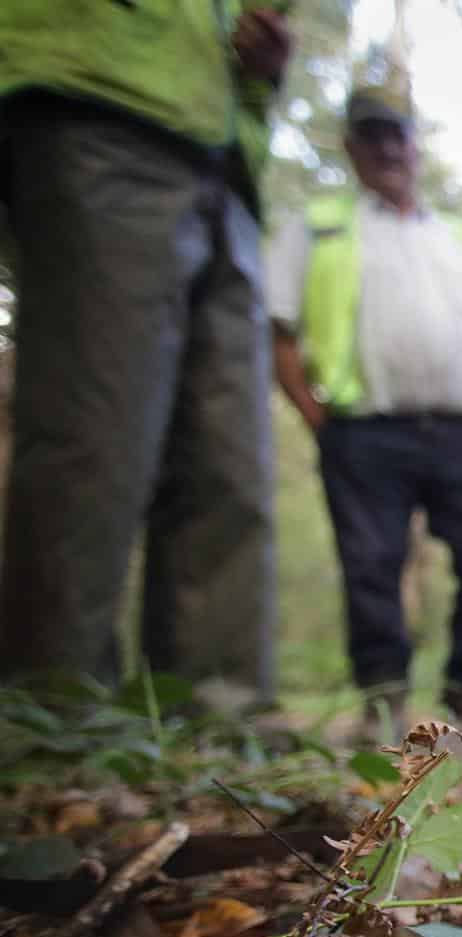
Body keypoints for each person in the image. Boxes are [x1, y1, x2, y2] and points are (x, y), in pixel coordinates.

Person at [0, 3, 292, 710]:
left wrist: (262, 75)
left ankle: (220, 725)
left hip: (228, 160)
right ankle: (57, 719)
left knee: (231, 470)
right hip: (94, 97)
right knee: (95, 435)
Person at [266, 86, 462, 739]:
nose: (386, 149)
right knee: (372, 564)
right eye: (370, 137)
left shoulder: (459, 238)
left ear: (414, 145)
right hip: (363, 431)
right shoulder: (319, 226)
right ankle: (383, 701)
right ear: (351, 150)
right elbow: (280, 331)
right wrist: (313, 415)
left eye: (396, 135)